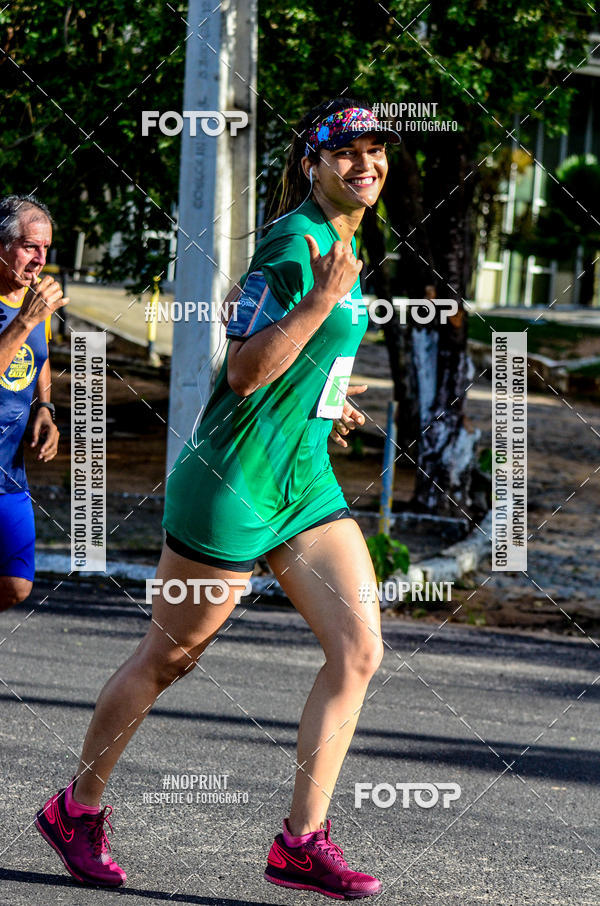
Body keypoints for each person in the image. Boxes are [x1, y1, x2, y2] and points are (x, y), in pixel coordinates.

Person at [36, 97, 400, 899]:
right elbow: (243, 370)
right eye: (347, 150)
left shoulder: (345, 241)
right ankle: (75, 811)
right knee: (169, 658)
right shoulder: (294, 243)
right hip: (232, 486)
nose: (365, 163)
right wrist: (316, 303)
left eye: (376, 149)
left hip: (303, 483)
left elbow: (300, 360)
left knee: (359, 651)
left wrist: (327, 402)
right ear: (312, 161)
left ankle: (300, 843)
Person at [0, 195, 68, 610]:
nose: (40, 260)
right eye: (30, 247)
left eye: (45, 248)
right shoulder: (28, 307)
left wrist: (45, 408)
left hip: (9, 470)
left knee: (15, 584)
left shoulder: (30, 298)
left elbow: (37, 358)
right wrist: (26, 318)